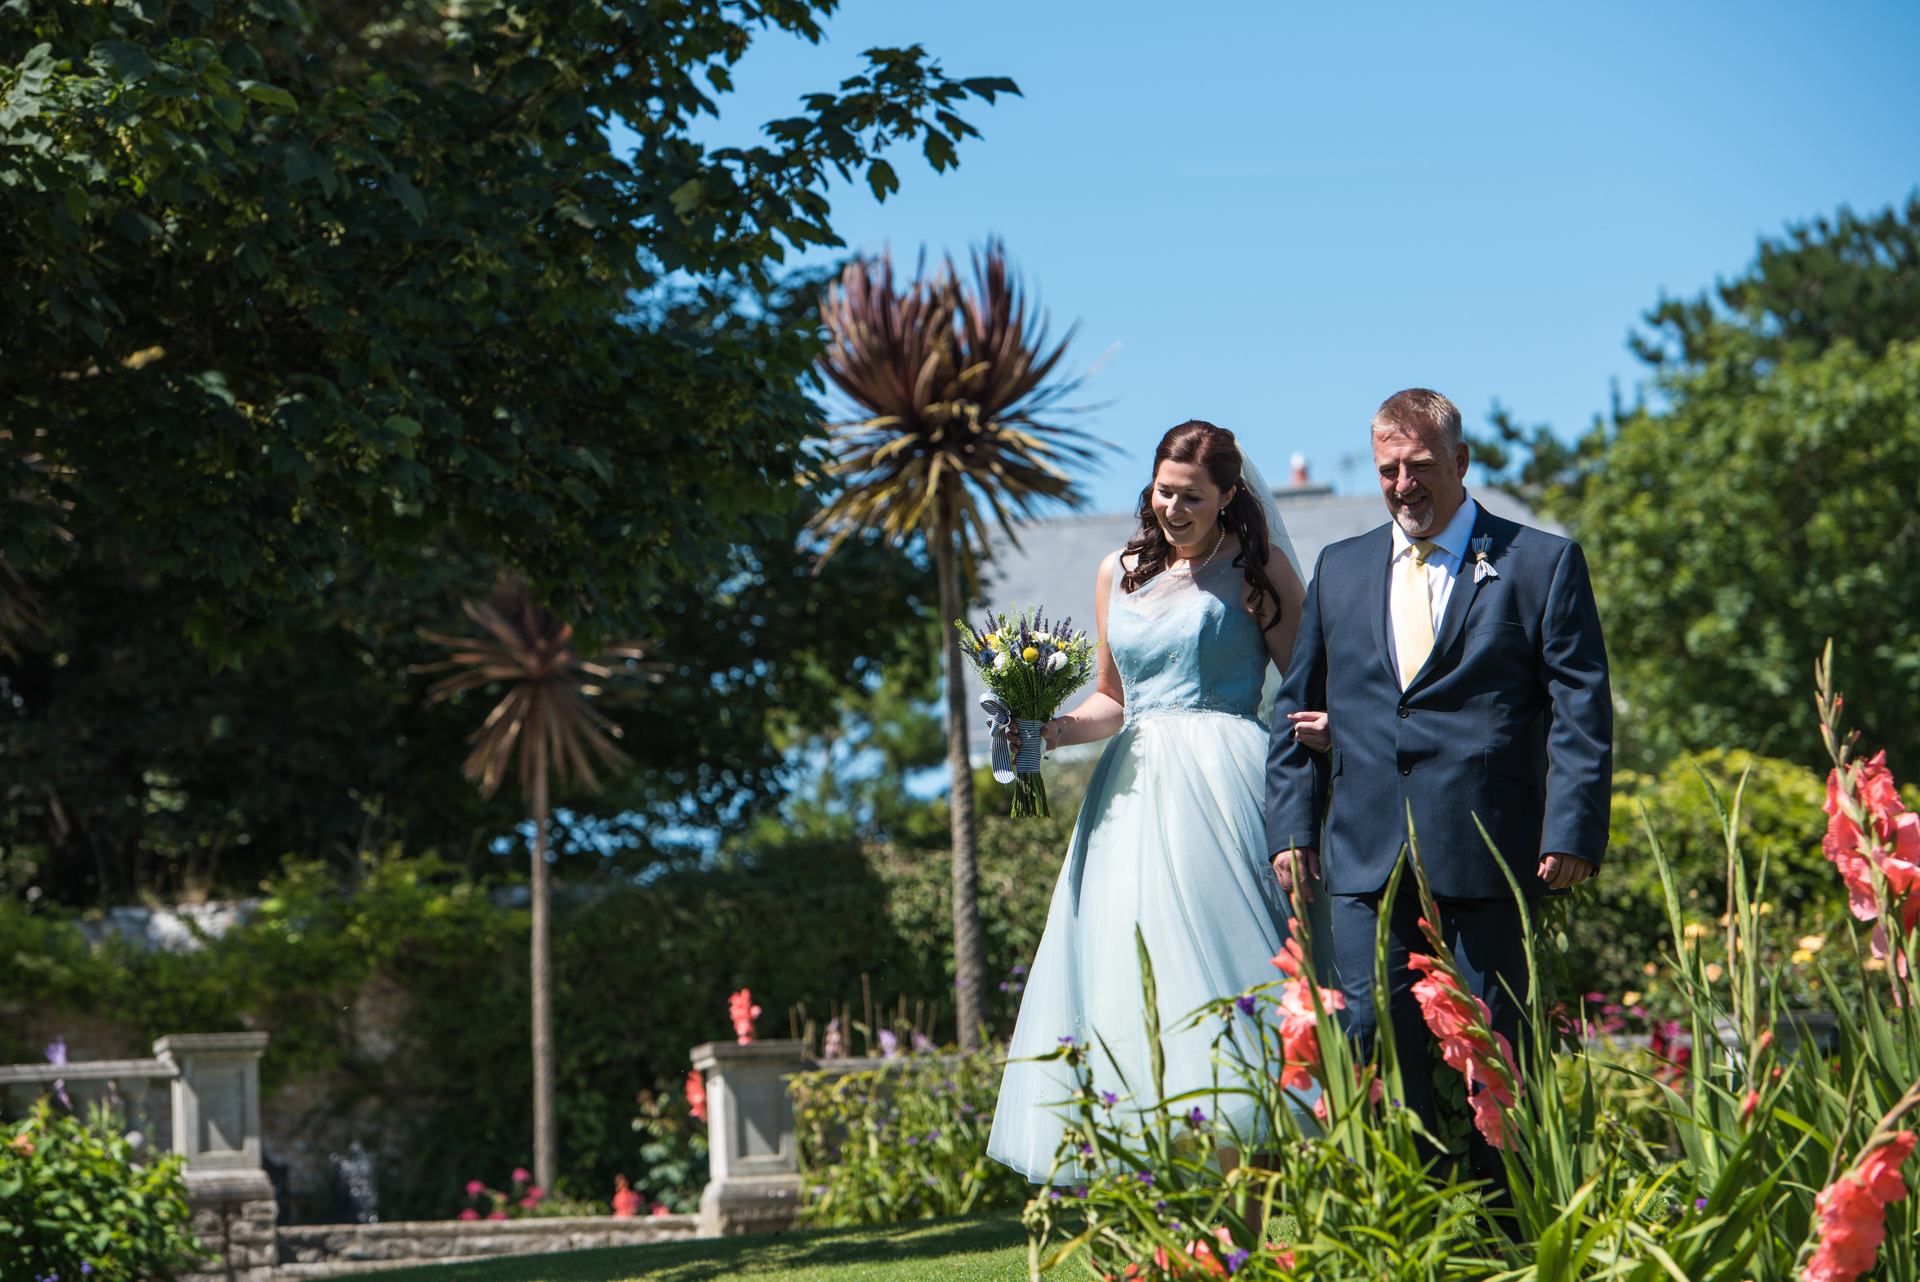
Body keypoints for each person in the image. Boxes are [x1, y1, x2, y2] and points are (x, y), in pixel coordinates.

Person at [1265, 388, 1611, 1192]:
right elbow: (1297, 710)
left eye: (1419, 467)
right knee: (1371, 1046)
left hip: (1486, 849)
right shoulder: (1340, 567)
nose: (1402, 485)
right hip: (1364, 854)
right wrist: (1293, 829)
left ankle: (1511, 1239)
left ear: (1461, 462)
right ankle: (1410, 1233)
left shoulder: (1541, 563)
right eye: (1389, 470)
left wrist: (1571, 830)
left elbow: (1581, 713)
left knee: (1495, 1060)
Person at [987, 420, 1329, 1184]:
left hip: (1227, 783)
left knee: (1233, 973)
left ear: (1228, 496)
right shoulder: (1120, 571)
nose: (1173, 508)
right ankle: (1167, 1216)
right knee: (1129, 973)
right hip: (1130, 796)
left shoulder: (1261, 568)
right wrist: (1043, 729)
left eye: (1192, 497)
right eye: (1163, 491)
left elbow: (1305, 691)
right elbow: (1114, 700)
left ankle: (1257, 1208)